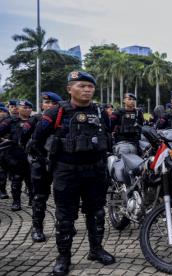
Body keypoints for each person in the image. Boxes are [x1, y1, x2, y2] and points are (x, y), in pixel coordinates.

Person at [30, 71, 115, 275]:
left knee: (97, 213)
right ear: (69, 89)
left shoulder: (100, 112)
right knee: (66, 218)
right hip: (66, 173)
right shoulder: (55, 113)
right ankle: (64, 257)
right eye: (81, 85)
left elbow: (108, 136)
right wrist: (51, 162)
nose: (87, 89)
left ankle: (96, 250)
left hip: (95, 171)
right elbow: (36, 141)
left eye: (90, 86)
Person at [28, 92, 63, 242]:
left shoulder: (64, 119)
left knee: (62, 196)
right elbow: (23, 137)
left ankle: (63, 225)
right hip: (41, 162)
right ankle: (37, 228)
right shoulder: (36, 119)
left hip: (59, 162)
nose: (48, 106)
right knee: (40, 196)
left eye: (52, 104)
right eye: (46, 103)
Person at [0, 99, 33, 210]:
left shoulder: (34, 121)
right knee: (16, 179)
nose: (27, 110)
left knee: (31, 179)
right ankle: (16, 202)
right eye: (25, 108)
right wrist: (4, 140)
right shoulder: (10, 121)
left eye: (29, 108)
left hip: (31, 155)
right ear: (18, 108)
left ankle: (32, 200)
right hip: (15, 156)